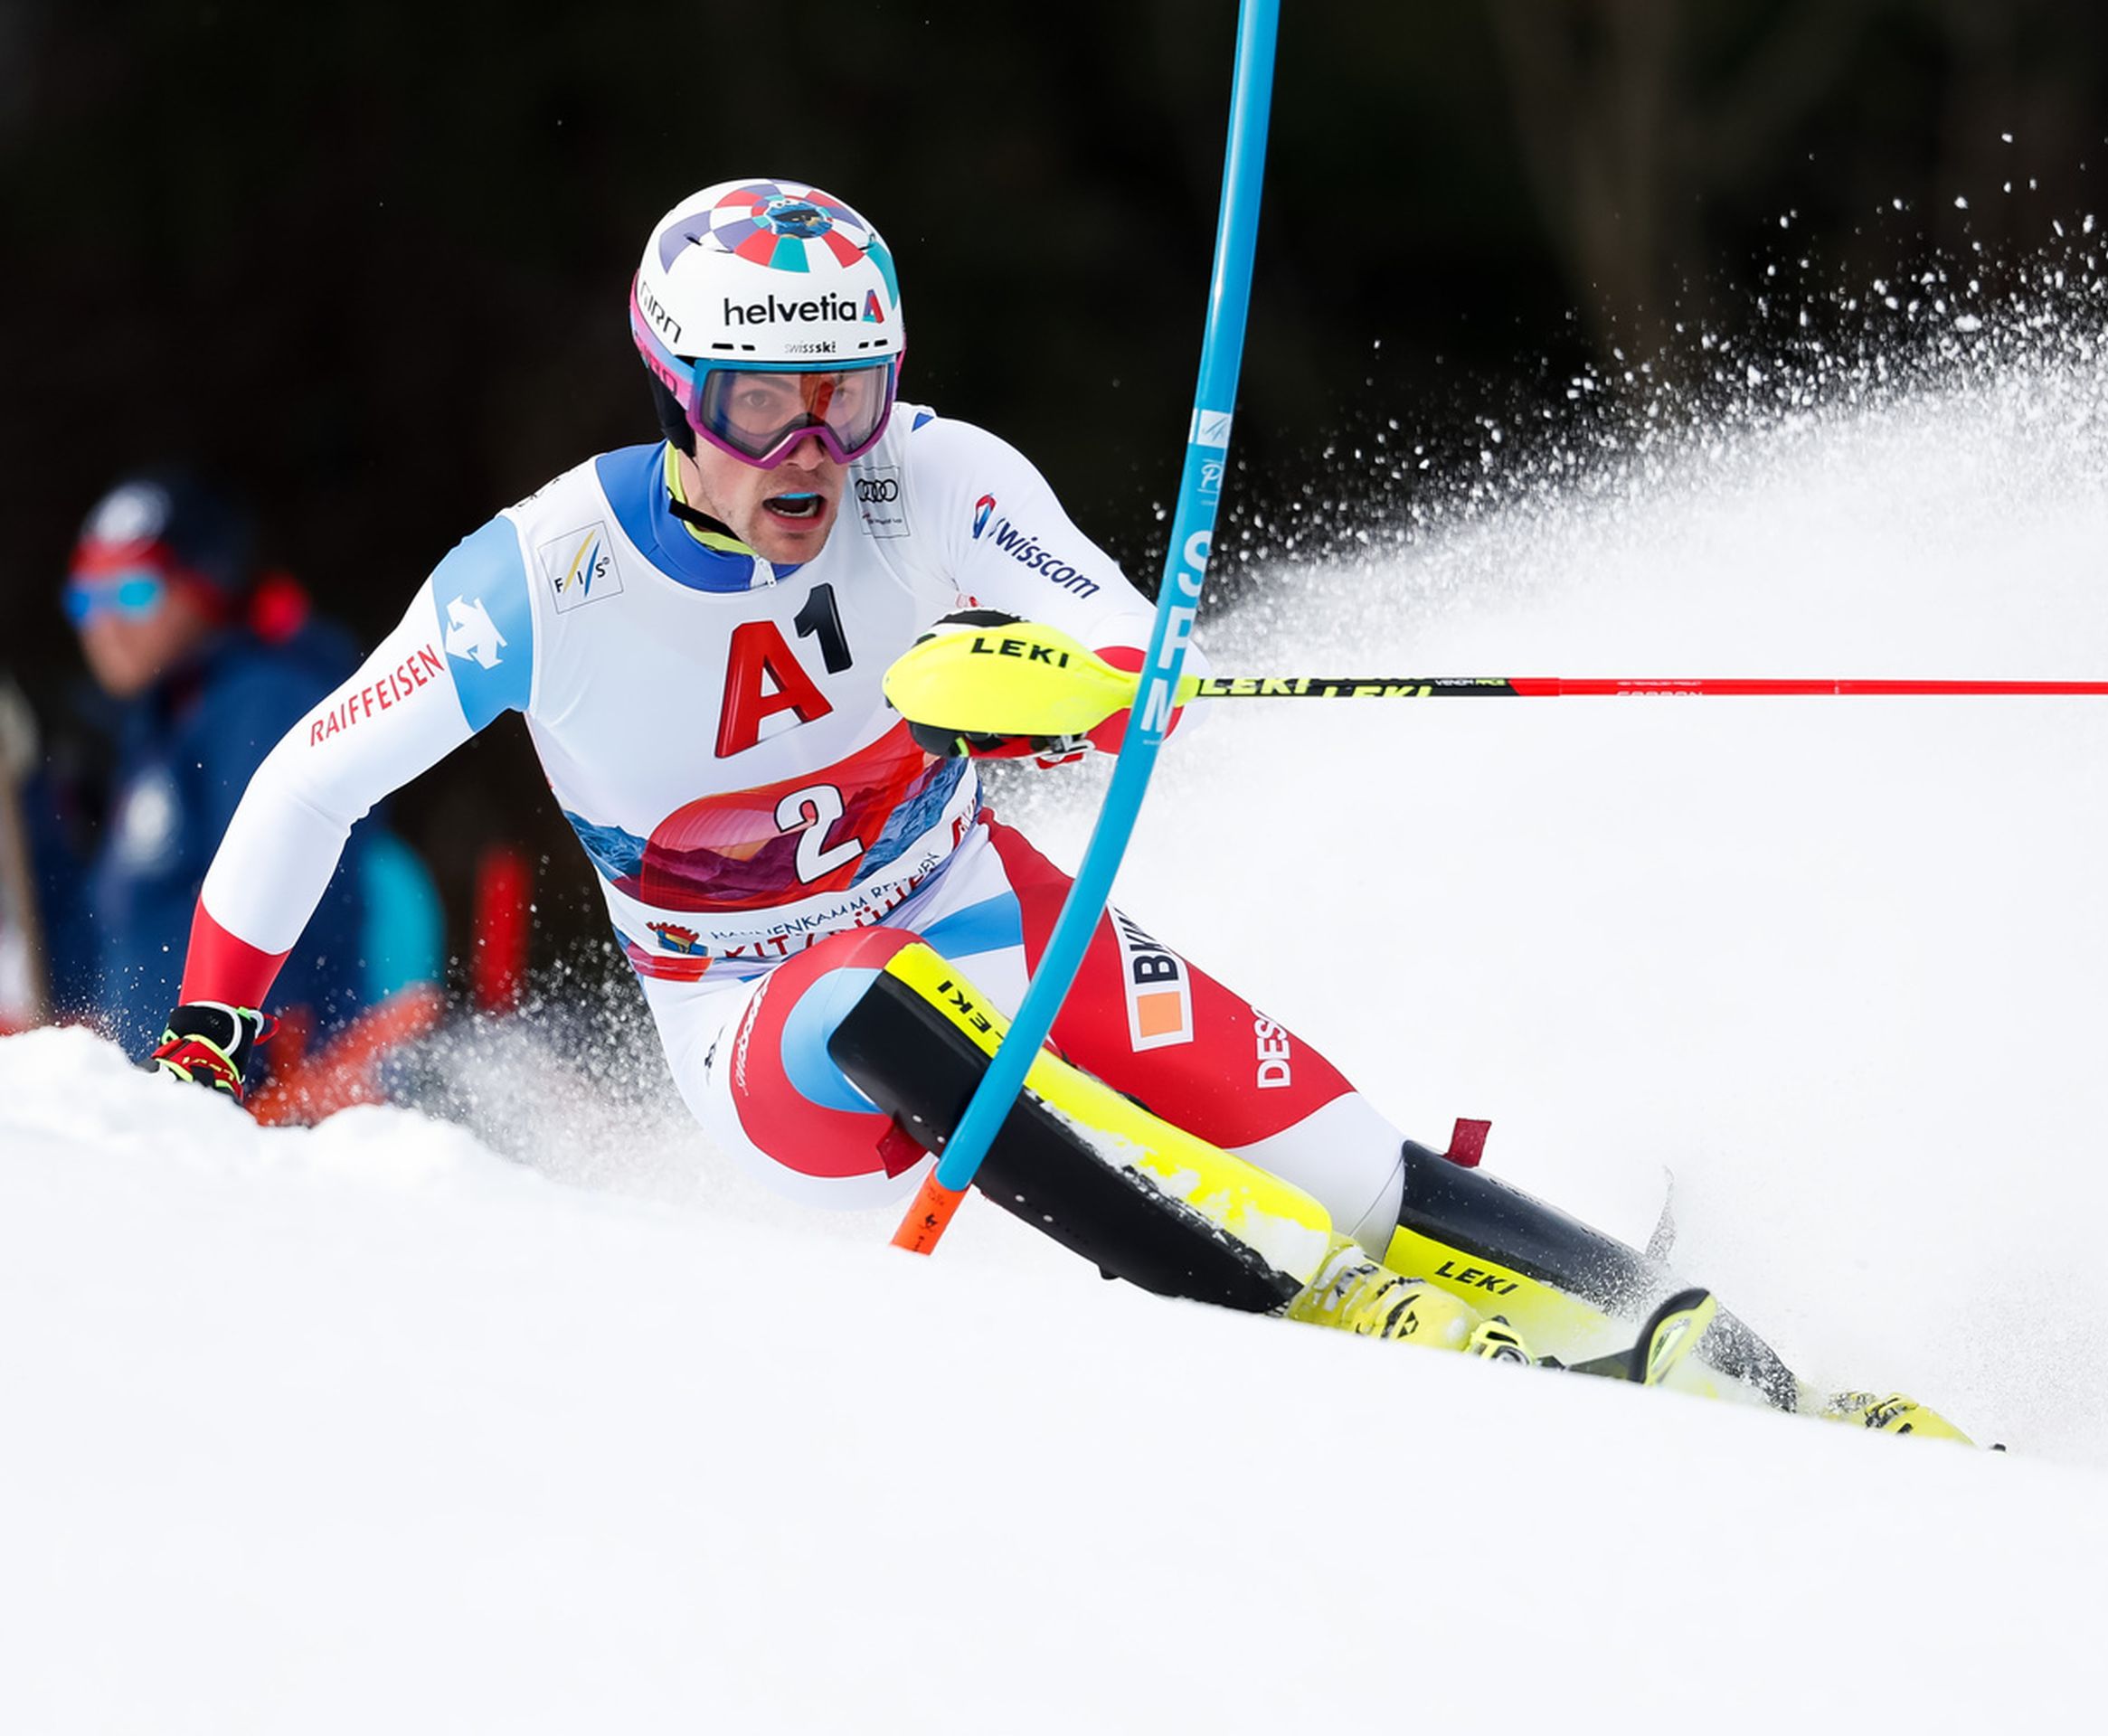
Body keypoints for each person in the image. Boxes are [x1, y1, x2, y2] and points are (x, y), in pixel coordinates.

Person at [151, 176, 1965, 1437]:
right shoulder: (543, 574)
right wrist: (216, 1027)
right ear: (681, 390)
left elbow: (1118, 648)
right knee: (890, 1004)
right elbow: (313, 778)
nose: (816, 452)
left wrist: (1078, 701)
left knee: (1352, 1168)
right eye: (767, 403)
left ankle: (1691, 1339)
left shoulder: (931, 475)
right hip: (766, 1018)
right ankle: (1273, 1323)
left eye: (847, 395)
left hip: (981, 899)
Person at [40, 468, 443, 1109]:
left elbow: (288, 880)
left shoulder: (262, 703)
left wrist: (268, 1069)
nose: (106, 624)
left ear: (206, 591)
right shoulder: (158, 725)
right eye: (87, 599)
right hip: (168, 1114)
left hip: (245, 1112)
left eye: (135, 592)